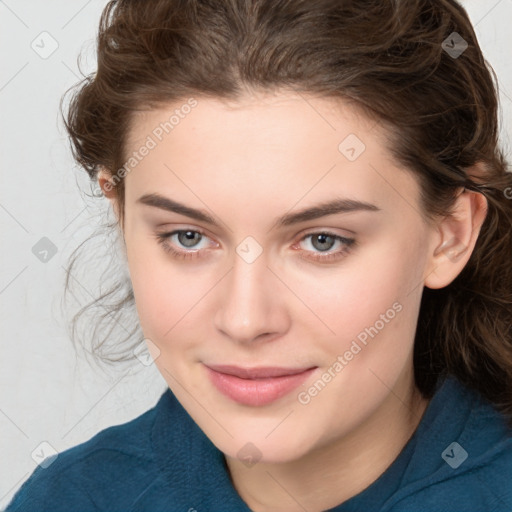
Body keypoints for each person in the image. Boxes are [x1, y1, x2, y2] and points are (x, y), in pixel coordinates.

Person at [5, 0, 512, 510]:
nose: (245, 320)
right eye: (187, 237)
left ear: (449, 235)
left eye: (322, 241)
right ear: (121, 219)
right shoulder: (64, 499)